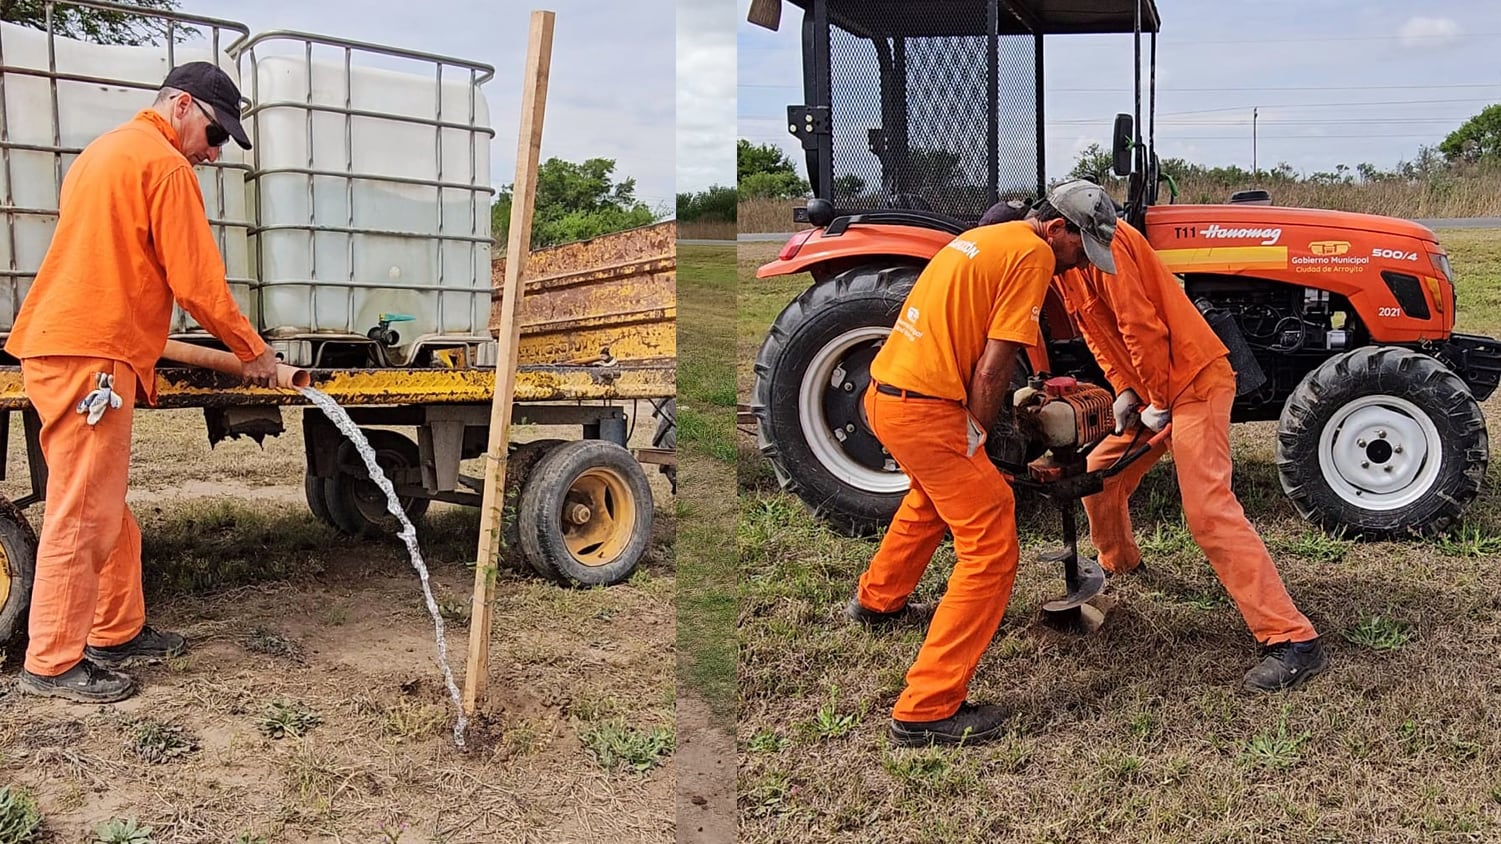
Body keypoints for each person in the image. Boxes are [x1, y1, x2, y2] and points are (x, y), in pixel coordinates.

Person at [7, 62, 280, 703]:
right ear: (181, 105)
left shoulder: (104, 152)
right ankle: (51, 661)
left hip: (75, 343)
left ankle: (116, 629)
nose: (213, 154)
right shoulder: (163, 164)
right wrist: (254, 349)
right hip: (89, 353)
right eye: (215, 135)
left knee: (106, 508)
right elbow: (198, 283)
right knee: (81, 514)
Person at [847, 180, 1118, 747]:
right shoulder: (1035, 253)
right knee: (992, 537)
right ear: (1060, 228)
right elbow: (994, 369)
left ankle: (878, 600)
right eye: (1081, 250)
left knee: (930, 500)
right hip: (926, 411)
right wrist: (977, 429)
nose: (1077, 266)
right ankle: (927, 707)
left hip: (886, 396)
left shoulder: (988, 237)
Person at [1053, 216, 1328, 692]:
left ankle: (1293, 639)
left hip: (1194, 383)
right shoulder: (1068, 265)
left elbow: (1140, 327)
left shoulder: (1107, 244)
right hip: (1154, 388)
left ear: (1061, 228)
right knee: (1100, 474)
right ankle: (1119, 562)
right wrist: (1124, 389)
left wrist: (1158, 398)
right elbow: (1097, 332)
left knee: (1208, 512)